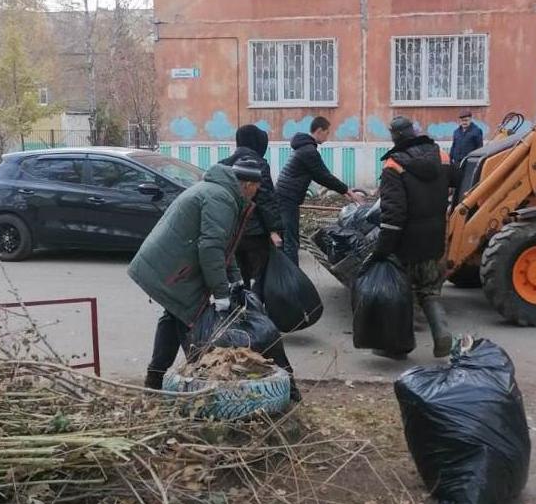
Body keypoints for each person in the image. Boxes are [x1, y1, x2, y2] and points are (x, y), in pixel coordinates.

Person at [129, 159, 263, 390]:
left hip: (169, 266)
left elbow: (223, 247)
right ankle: (201, 385)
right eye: (257, 189)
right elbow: (210, 248)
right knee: (193, 322)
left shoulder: (218, 192)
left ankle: (155, 379)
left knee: (174, 317)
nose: (256, 194)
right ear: (249, 185)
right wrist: (221, 292)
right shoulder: (221, 199)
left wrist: (235, 279)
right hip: (173, 271)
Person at [366, 116, 453, 359]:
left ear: (395, 137)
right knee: (429, 289)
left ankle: (398, 347)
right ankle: (442, 334)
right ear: (414, 133)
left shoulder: (394, 165)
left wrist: (383, 249)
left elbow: (393, 214)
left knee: (402, 293)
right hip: (435, 237)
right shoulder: (441, 156)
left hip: (406, 242)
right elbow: (456, 184)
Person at [276, 116, 362, 264]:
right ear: (320, 130)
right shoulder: (309, 151)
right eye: (327, 133)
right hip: (287, 197)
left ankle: (287, 274)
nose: (328, 137)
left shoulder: (304, 148)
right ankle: (292, 280)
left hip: (286, 196)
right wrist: (347, 191)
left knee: (289, 237)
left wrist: (344, 191)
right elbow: (323, 176)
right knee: (291, 239)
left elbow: (319, 176)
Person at [221, 124, 283, 288]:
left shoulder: (224, 164)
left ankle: (241, 309)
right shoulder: (258, 165)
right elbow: (265, 199)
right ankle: (254, 309)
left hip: (231, 232)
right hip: (255, 234)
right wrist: (274, 230)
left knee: (237, 278)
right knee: (258, 278)